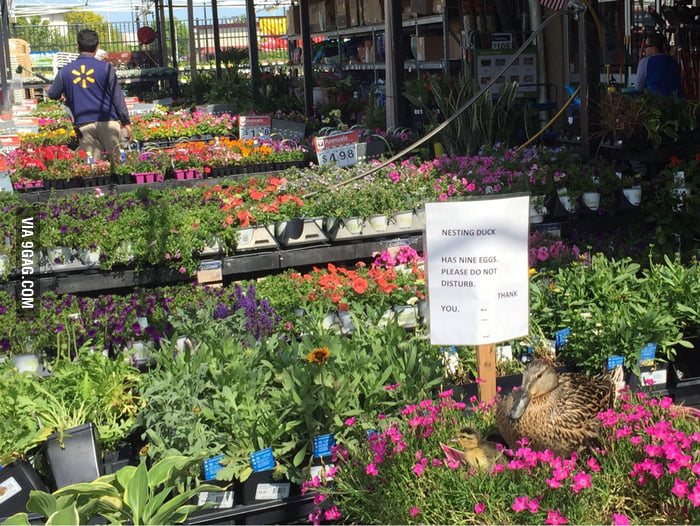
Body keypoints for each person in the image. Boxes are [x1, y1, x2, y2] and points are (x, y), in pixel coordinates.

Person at [48, 29, 132, 160]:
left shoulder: (65, 71)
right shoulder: (106, 68)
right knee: (117, 165)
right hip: (108, 122)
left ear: (78, 46)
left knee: (95, 169)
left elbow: (53, 94)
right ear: (97, 47)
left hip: (84, 124)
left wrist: (64, 91)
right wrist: (126, 122)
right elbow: (117, 97)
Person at [635, 32, 683, 97]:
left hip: (655, 103)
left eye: (646, 46)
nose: (644, 49)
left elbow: (638, 88)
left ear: (654, 49)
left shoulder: (645, 62)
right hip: (677, 102)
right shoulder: (674, 61)